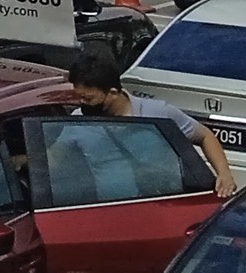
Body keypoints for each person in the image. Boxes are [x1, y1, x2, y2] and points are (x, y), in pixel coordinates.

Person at [69, 37, 236, 193]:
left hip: (161, 205)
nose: (82, 103)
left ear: (112, 93)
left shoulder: (157, 113)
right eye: (80, 96)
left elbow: (204, 135)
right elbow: (55, 158)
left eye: (88, 98)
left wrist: (224, 174)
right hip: (108, 213)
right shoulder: (76, 123)